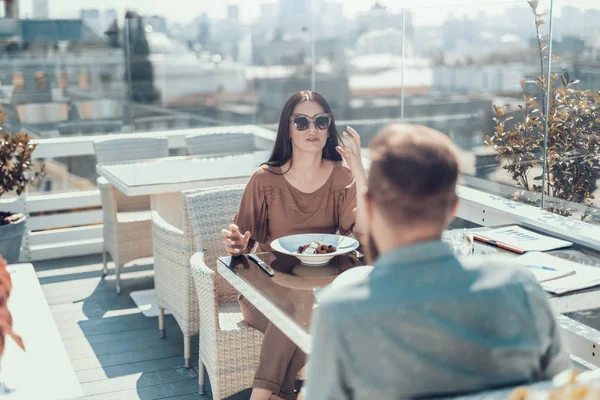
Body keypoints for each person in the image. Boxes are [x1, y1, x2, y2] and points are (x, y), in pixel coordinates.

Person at [303, 124, 570, 399]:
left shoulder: (341, 313)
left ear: (369, 206)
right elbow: (564, 389)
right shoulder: (519, 288)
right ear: (453, 207)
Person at [221, 91, 366, 400]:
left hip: (315, 294)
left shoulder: (342, 176)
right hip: (263, 295)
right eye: (301, 122)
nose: (311, 129)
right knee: (310, 307)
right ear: (287, 129)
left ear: (329, 128)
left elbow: (361, 233)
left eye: (320, 121)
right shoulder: (264, 179)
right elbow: (242, 244)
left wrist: (360, 172)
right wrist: (236, 244)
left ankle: (269, 395)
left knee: (308, 306)